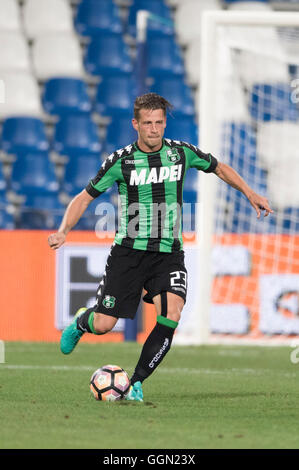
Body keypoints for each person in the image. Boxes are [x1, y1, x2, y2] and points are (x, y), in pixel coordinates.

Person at [48, 93, 273, 402]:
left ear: (165, 123)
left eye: (159, 123)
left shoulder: (181, 153)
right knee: (103, 324)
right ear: (135, 124)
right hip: (129, 253)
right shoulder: (120, 161)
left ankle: (137, 382)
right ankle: (83, 321)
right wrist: (63, 231)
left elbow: (219, 167)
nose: (154, 130)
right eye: (147, 123)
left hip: (169, 253)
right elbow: (85, 196)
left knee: (172, 312)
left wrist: (249, 191)